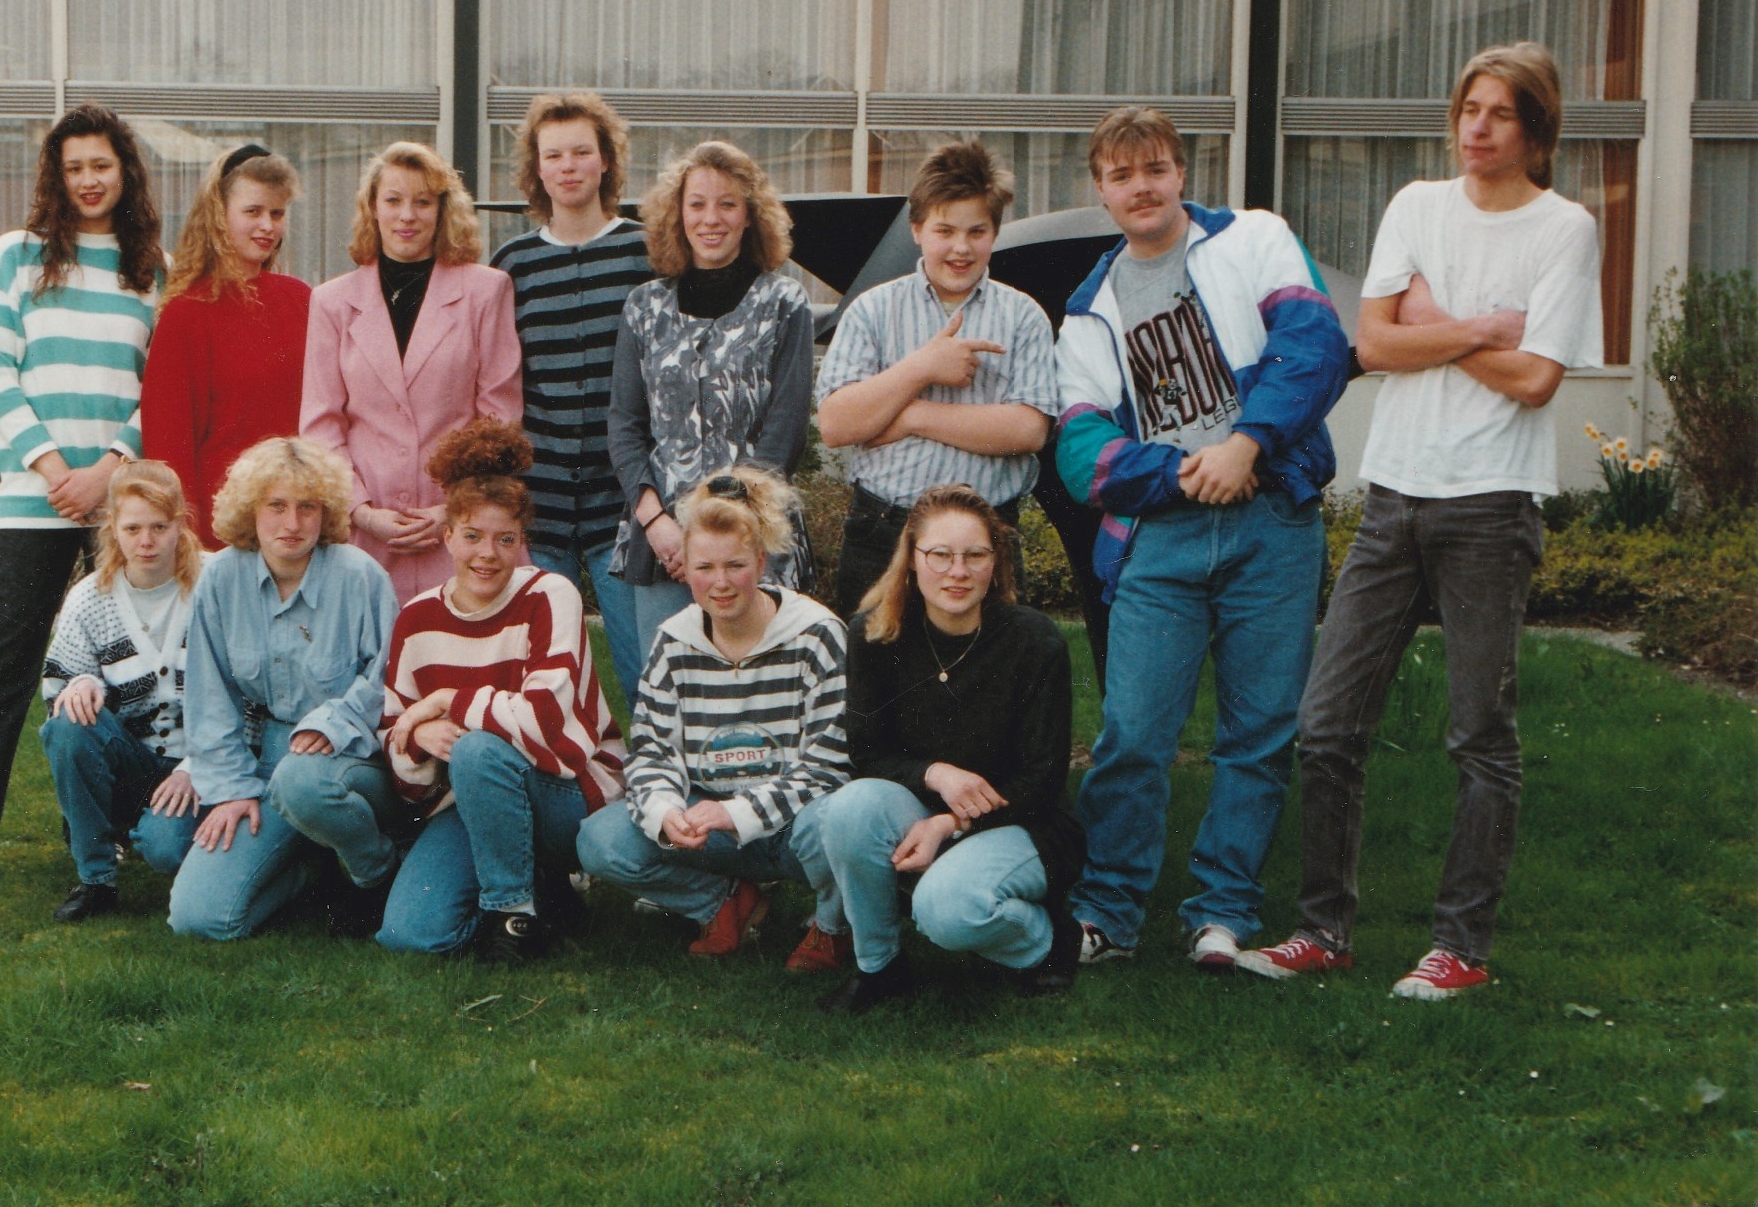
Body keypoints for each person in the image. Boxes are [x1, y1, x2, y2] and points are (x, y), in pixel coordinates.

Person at [1238, 42, 1602, 1000]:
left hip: (1490, 506)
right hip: (1393, 495)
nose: (1477, 129)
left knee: (1479, 735)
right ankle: (1325, 928)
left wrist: (1432, 326)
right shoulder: (1415, 206)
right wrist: (1482, 325)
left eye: (1501, 115)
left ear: (1536, 130)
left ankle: (1462, 949)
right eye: (1469, 110)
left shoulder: (1565, 230)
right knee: (1324, 727)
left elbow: (1536, 382)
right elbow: (1372, 343)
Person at [1056, 104, 1349, 973]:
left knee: (1258, 730)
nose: (1140, 187)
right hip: (1162, 543)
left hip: (1273, 522)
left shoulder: (1253, 241)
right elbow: (1083, 455)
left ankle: (1220, 912)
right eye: (1121, 175)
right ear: (1101, 191)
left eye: (1155, 169)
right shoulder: (1088, 311)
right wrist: (1191, 471)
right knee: (1133, 733)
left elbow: (1314, 344)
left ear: (1181, 173)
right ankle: (1108, 912)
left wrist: (1248, 444)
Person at [0, 104, 164, 890]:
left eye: (102, 165)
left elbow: (161, 390)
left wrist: (109, 471)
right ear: (57, 175)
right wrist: (55, 471)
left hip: (122, 504)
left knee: (120, 670)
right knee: (1, 668)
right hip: (33, 496)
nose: (89, 180)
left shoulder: (154, 268)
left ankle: (108, 831)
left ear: (125, 173)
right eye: (75, 166)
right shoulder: (15, 256)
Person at [803, 484, 1081, 1012]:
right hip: (923, 804)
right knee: (847, 808)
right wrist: (936, 775)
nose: (958, 571)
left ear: (995, 562)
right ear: (911, 558)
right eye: (940, 555)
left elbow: (1041, 781)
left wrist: (948, 824)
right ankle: (879, 967)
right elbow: (866, 754)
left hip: (1022, 821)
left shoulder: (1034, 641)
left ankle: (1045, 943)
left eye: (975, 555)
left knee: (946, 911)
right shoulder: (873, 634)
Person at [375, 418, 627, 961]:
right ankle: (545, 896)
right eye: (472, 536)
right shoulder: (417, 619)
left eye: (504, 539)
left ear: (522, 541)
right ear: (447, 536)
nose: (487, 554)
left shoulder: (548, 594)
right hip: (470, 801)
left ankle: (514, 919)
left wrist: (446, 704)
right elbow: (394, 735)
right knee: (412, 935)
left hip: (567, 795)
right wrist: (421, 736)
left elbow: (546, 723)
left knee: (477, 749)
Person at [576, 468, 849, 958]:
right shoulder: (674, 639)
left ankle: (832, 923)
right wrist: (664, 812)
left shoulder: (817, 633)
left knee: (844, 822)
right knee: (601, 840)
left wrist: (736, 812)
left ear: (761, 562)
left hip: (796, 826)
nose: (719, 584)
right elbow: (652, 751)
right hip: (711, 825)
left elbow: (828, 768)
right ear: (684, 567)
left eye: (735, 565)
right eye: (704, 568)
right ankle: (723, 903)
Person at [166, 437, 399, 941]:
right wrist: (230, 790)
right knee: (198, 918)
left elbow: (389, 680)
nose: (291, 524)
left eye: (306, 507)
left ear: (326, 512)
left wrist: (331, 723)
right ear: (250, 511)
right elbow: (209, 699)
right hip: (266, 758)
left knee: (305, 784)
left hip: (352, 759)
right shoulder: (220, 579)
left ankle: (375, 870)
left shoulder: (361, 577)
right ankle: (310, 871)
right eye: (276, 506)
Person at [816, 140, 1058, 617]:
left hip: (988, 535)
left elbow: (1027, 429)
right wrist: (923, 367)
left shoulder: (1023, 316)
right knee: (882, 683)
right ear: (916, 228)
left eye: (977, 231)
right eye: (944, 230)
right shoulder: (873, 309)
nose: (961, 247)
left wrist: (910, 416)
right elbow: (837, 424)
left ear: (995, 231)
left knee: (988, 685)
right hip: (884, 530)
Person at [607, 141, 815, 667]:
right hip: (663, 545)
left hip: (754, 535)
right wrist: (657, 524)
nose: (711, 218)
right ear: (677, 215)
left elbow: (785, 431)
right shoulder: (644, 307)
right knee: (668, 692)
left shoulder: (783, 303)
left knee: (761, 688)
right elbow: (625, 426)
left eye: (727, 204)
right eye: (696, 204)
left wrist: (721, 537)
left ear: (750, 215)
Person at [302, 142, 523, 602]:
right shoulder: (331, 301)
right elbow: (321, 425)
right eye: (394, 200)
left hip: (464, 526)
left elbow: (500, 417)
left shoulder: (486, 291)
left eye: (423, 202)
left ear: (443, 211)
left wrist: (453, 508)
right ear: (372, 208)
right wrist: (361, 512)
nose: (407, 215)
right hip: (367, 531)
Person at [490, 93, 654, 709]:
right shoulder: (513, 264)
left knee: (643, 670)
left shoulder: (647, 254)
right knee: (545, 676)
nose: (568, 166)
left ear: (607, 161)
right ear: (536, 168)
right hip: (543, 500)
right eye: (553, 154)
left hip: (627, 504)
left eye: (582, 151)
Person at [38, 460, 203, 922]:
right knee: (69, 723)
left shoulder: (214, 584)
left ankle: (124, 822)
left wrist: (197, 765)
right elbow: (58, 686)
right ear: (113, 527)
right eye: (132, 528)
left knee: (165, 850)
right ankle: (96, 877)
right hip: (132, 757)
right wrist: (82, 683)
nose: (145, 541)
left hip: (205, 763)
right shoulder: (91, 597)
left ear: (179, 524)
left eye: (158, 526)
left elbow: (246, 693)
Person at [140, 145, 311, 549]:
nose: (267, 225)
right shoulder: (186, 312)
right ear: (219, 215)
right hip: (221, 531)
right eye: (252, 212)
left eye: (277, 213)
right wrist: (190, 540)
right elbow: (169, 445)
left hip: (297, 525)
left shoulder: (303, 300)